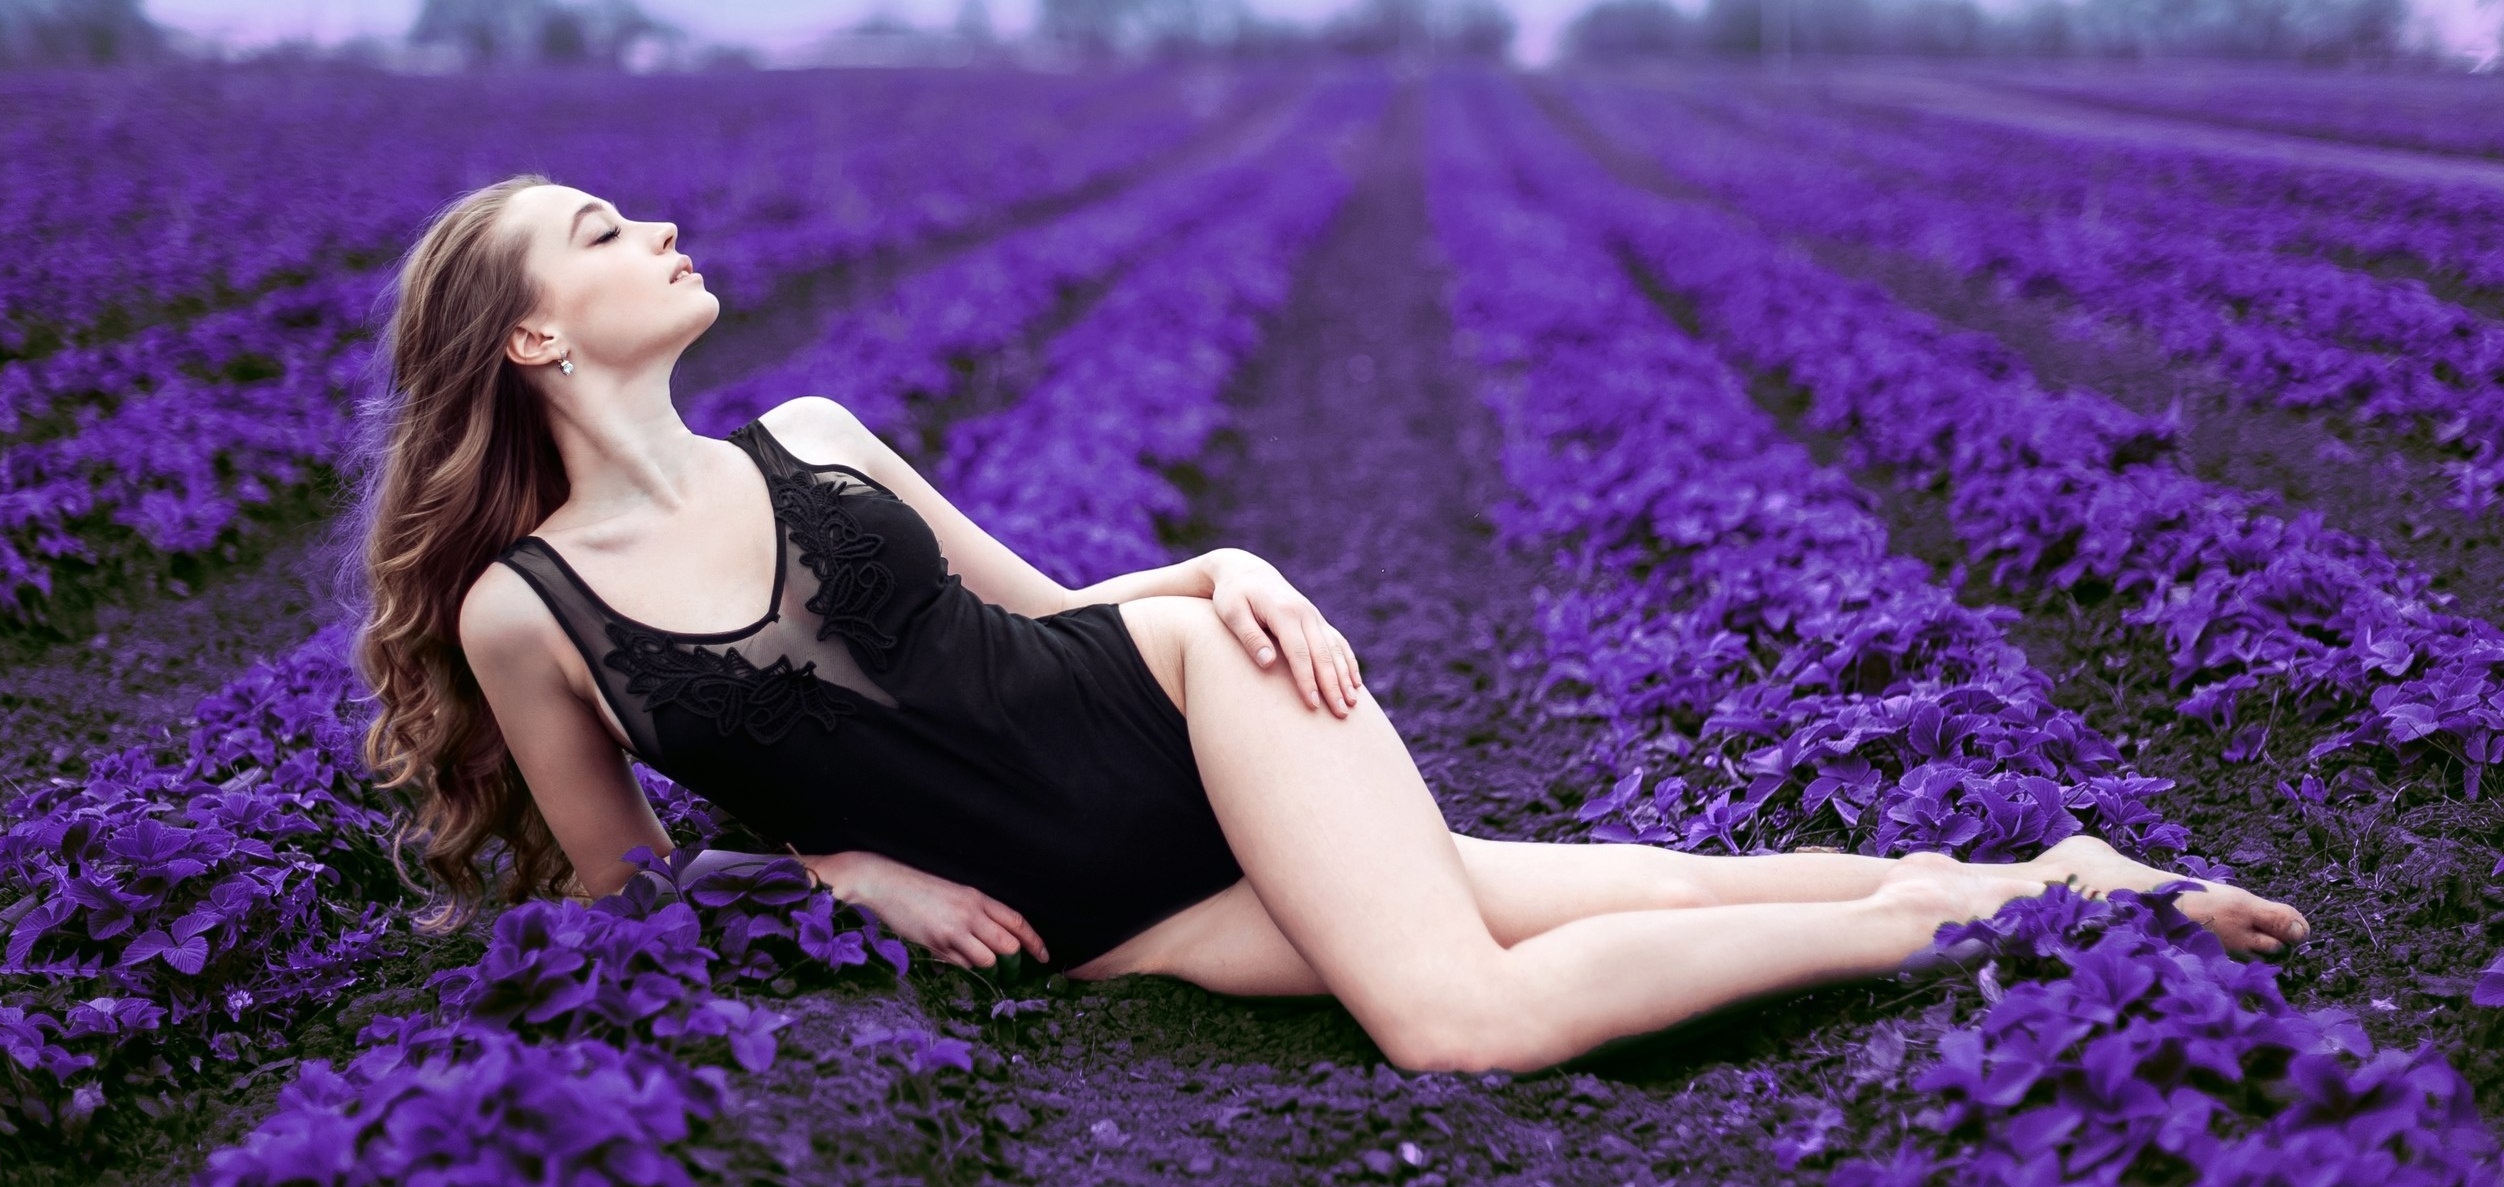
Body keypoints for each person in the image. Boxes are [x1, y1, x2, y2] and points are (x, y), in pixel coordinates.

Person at [348, 173, 2312, 1075]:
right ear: (529, 336)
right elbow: (617, 892)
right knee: (1604, 893)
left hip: (1185, 709)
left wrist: (1223, 576)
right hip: (1107, 917)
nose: (660, 232)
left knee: (1454, 1017)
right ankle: (2023, 875)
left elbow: (1035, 616)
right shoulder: (530, 616)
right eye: (600, 236)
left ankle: (2064, 912)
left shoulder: (815, 437)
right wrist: (840, 875)